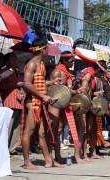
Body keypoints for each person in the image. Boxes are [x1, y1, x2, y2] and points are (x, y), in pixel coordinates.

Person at [20, 40, 57, 169]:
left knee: (41, 133)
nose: (48, 51)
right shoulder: (32, 64)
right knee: (28, 132)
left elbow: (38, 82)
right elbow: (27, 83)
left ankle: (48, 160)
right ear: (43, 49)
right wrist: (43, 96)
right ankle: (26, 162)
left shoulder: (41, 63)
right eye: (47, 48)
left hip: (40, 102)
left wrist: (52, 82)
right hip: (33, 103)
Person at [48, 51, 83, 164]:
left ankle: (64, 156)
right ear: (64, 60)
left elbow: (66, 89)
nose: (73, 62)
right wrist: (73, 91)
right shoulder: (57, 71)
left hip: (66, 102)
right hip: (56, 103)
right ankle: (55, 157)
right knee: (55, 130)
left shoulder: (67, 71)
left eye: (73, 60)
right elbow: (54, 90)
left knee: (65, 128)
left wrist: (76, 90)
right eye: (71, 60)